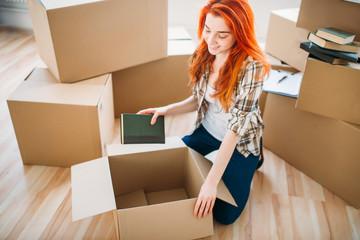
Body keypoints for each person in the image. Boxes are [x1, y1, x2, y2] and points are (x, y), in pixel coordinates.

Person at [138, 0, 270, 225]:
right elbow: (200, 99)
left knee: (224, 215)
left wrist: (210, 182)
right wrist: (167, 110)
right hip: (207, 131)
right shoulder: (206, 51)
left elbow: (235, 130)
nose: (210, 40)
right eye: (207, 30)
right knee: (170, 172)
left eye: (222, 35)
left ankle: (254, 158)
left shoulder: (252, 68)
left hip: (238, 142)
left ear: (239, 34)